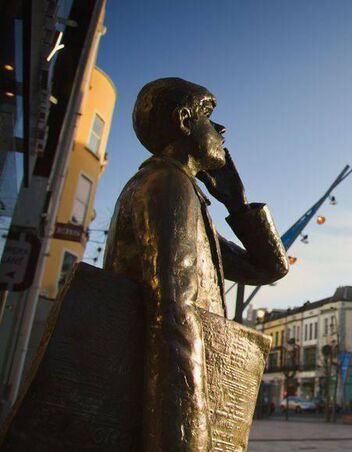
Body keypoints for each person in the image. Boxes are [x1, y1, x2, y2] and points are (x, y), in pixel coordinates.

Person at [104, 78, 288, 451]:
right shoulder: (165, 185)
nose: (222, 130)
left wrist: (237, 203)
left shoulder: (182, 190)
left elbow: (267, 269)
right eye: (209, 116)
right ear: (185, 121)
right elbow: (174, 316)